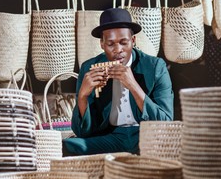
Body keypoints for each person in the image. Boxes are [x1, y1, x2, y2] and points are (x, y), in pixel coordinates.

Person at [63, 8, 174, 155]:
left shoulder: (155, 67)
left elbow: (166, 123)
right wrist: (83, 96)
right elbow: (82, 132)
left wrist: (133, 86)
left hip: (147, 138)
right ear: (102, 44)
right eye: (110, 44)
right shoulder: (89, 68)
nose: (118, 49)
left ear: (133, 41)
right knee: (65, 146)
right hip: (111, 137)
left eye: (124, 42)